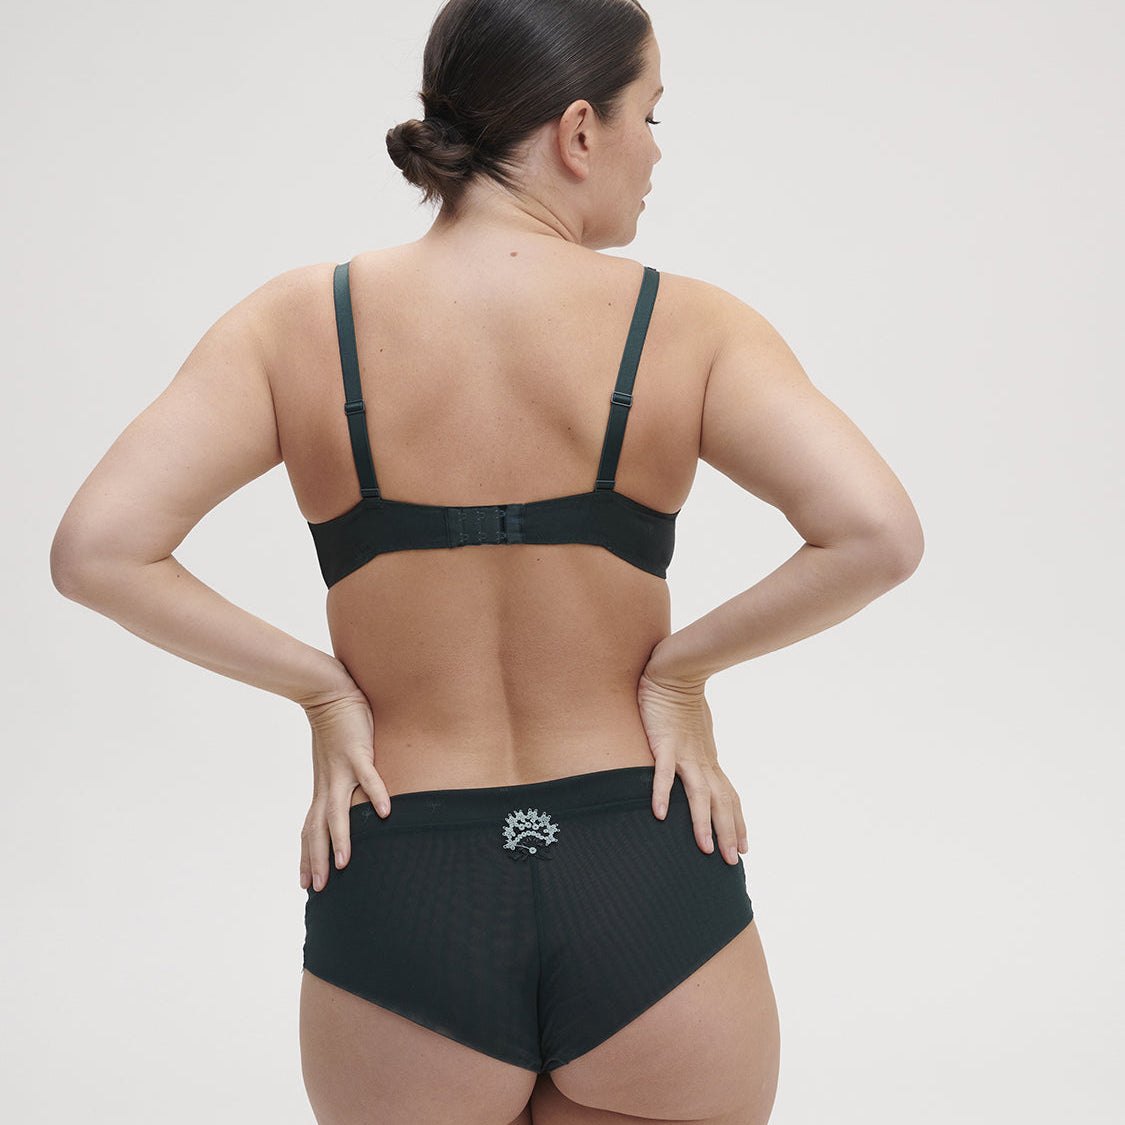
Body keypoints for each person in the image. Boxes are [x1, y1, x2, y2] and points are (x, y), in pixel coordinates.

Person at [50, 0, 923, 1121]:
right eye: (652, 116)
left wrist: (322, 690)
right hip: (645, 862)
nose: (657, 153)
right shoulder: (691, 328)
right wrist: (678, 674)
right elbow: (876, 535)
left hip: (406, 872)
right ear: (579, 131)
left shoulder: (295, 325)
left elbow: (99, 550)